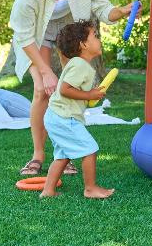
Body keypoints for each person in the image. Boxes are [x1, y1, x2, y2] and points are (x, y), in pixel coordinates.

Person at [9, 0, 139, 177]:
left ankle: (65, 153)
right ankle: (38, 155)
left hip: (69, 31)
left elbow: (102, 8)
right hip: (37, 34)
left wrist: (121, 11)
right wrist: (46, 72)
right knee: (42, 90)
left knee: (69, 92)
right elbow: (23, 34)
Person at [40, 20, 113, 199]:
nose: (98, 39)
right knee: (90, 148)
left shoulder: (77, 64)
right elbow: (65, 89)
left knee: (63, 155)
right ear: (83, 44)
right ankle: (90, 189)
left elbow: (72, 89)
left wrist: (90, 95)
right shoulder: (80, 65)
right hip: (64, 117)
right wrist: (90, 95)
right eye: (95, 36)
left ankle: (48, 191)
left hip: (56, 116)